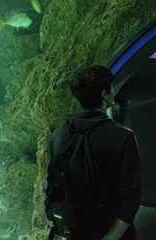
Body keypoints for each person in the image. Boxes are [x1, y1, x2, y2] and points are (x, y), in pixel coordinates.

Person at [49, 65, 142, 240]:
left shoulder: (59, 134)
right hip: (110, 229)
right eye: (112, 87)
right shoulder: (123, 136)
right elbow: (131, 197)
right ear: (104, 94)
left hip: (74, 228)